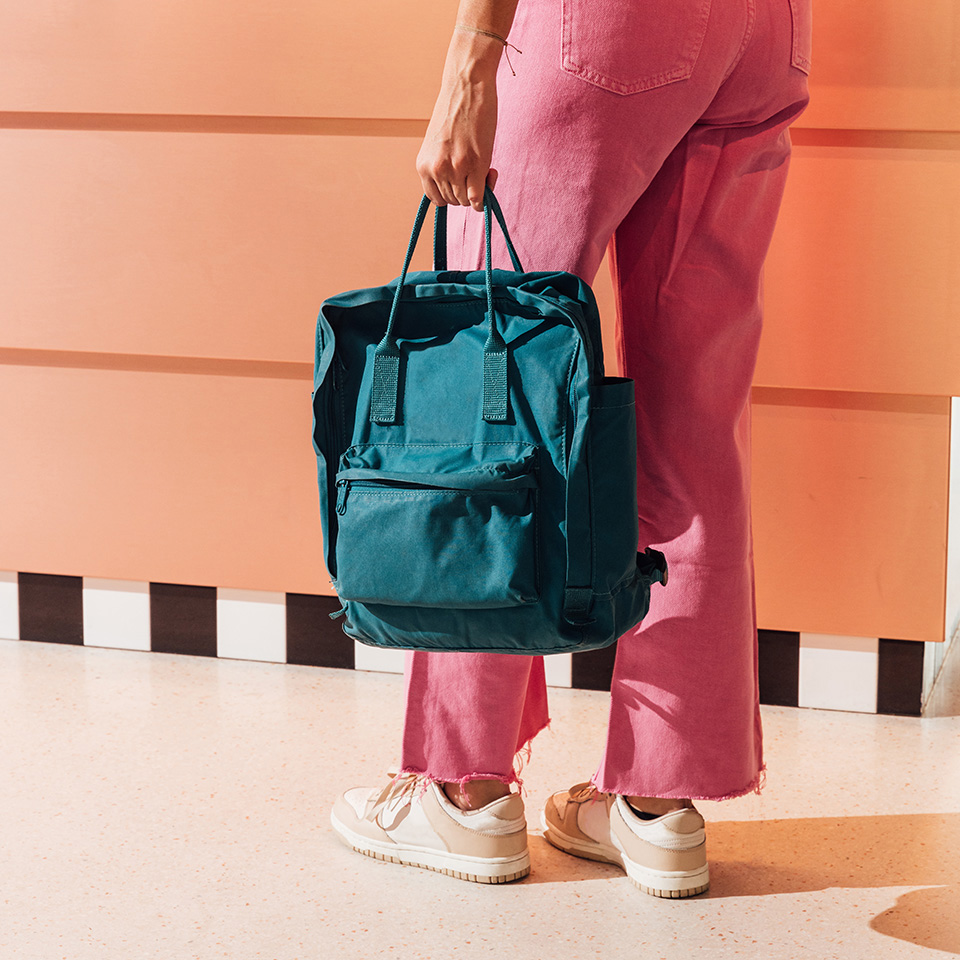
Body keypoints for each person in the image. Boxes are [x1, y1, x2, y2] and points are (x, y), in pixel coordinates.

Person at [329, 0, 810, 897]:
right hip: (764, 33)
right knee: (696, 424)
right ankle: (660, 807)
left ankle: (462, 790)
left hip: (606, 30)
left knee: (498, 388)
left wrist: (472, 59)